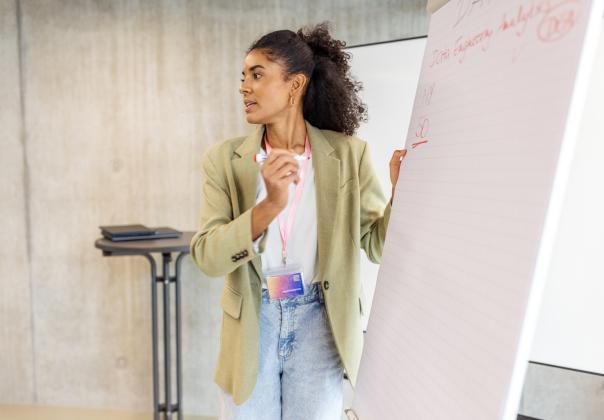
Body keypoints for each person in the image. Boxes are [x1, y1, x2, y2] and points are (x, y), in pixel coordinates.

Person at [190, 21, 407, 420]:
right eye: (243, 77)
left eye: (257, 75)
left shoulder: (348, 156)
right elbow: (206, 256)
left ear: (295, 86)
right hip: (255, 320)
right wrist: (268, 206)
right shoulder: (224, 160)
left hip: (319, 322)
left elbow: (377, 245)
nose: (244, 87)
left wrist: (401, 197)